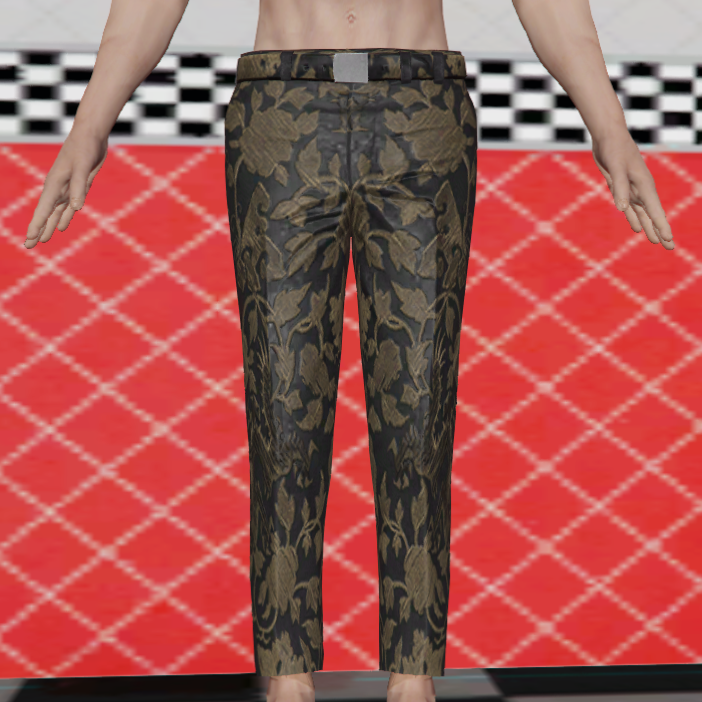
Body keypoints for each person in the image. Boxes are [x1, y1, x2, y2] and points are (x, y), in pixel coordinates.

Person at [23, 1, 675, 702]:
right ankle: (287, 679)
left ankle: (414, 680)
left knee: (421, 413)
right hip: (282, 105)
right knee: (282, 413)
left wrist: (610, 127)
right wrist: (89, 125)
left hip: (421, 108)